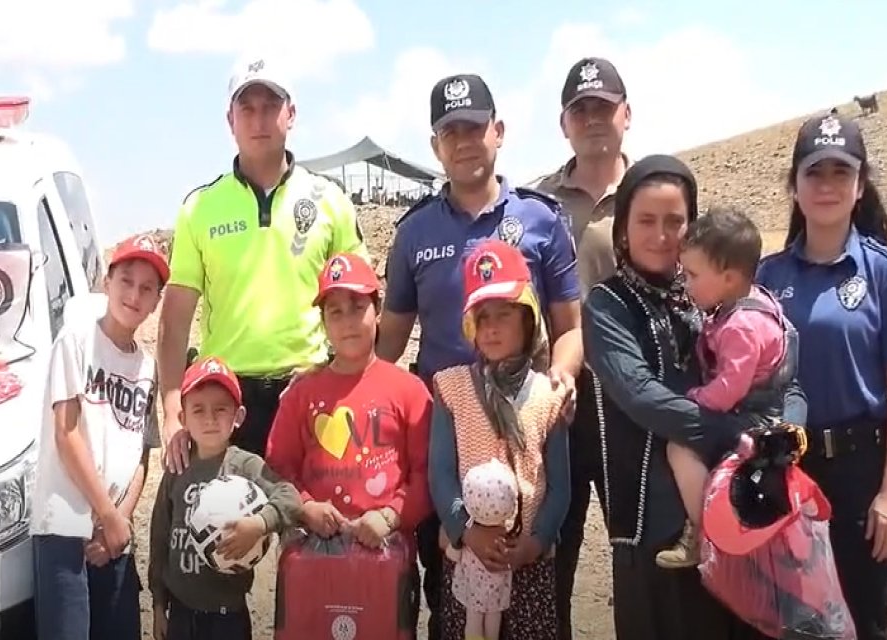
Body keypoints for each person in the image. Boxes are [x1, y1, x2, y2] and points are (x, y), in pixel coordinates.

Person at [377, 72, 583, 640]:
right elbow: (388, 344)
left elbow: (570, 327)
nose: (464, 140)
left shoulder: (542, 220)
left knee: (538, 601)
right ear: (435, 145)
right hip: (441, 431)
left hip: (531, 429)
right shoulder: (414, 233)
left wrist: (561, 381)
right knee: (451, 596)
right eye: (450, 131)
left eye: (474, 127)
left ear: (499, 130)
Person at [581, 154, 807, 640]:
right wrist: (744, 434)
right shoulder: (607, 306)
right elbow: (642, 396)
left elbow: (784, 375)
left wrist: (787, 428)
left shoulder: (714, 296)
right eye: (646, 220)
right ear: (622, 228)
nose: (662, 235)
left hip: (738, 511)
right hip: (652, 522)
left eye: (675, 221)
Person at [158, 55, 369, 474]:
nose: (259, 120)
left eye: (271, 106)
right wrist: (170, 409)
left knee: (315, 528)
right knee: (228, 532)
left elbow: (361, 303)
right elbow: (175, 320)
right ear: (229, 119)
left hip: (310, 389)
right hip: (226, 398)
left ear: (291, 114)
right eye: (247, 108)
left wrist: (341, 376)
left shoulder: (329, 200)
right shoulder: (199, 207)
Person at [755, 113, 887, 640]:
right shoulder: (767, 276)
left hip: (859, 479)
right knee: (788, 625)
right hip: (789, 475)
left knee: (863, 623)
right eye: (815, 172)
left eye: (840, 172)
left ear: (860, 185)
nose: (827, 184)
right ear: (794, 186)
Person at [264, 252, 433, 618]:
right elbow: (278, 468)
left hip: (385, 560)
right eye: (334, 311)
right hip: (314, 560)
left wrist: (390, 516)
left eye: (358, 306)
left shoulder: (409, 391)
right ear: (323, 322)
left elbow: (426, 474)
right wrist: (305, 507)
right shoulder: (301, 394)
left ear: (378, 310)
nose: (347, 322)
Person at [528, 56, 632, 639]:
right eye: (580, 109)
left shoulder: (654, 192)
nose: (593, 119)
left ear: (627, 114)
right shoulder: (537, 203)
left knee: (638, 551)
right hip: (557, 401)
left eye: (604, 106)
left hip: (631, 407)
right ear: (564, 122)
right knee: (552, 551)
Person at [429, 239, 571, 640]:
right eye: (482, 316)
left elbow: (560, 486)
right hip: (468, 555)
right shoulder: (451, 388)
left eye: (504, 314)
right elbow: (440, 475)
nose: (491, 327)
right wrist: (465, 529)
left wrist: (535, 542)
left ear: (528, 319)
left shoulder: (550, 396)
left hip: (529, 561)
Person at [30, 234, 167, 640]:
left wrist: (117, 524)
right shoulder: (75, 341)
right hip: (66, 526)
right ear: (107, 281)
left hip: (114, 536)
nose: (134, 294)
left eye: (147, 288)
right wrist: (106, 515)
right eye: (126, 280)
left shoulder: (147, 367)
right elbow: (66, 433)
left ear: (157, 301)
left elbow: (143, 454)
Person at [657, 208, 796, 569]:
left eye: (693, 275)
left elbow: (729, 389)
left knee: (680, 447)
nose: (686, 283)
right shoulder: (755, 303)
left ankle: (705, 529)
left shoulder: (741, 327)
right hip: (760, 414)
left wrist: (694, 399)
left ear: (729, 278)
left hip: (751, 417)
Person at [148, 356, 303, 640]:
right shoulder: (178, 467)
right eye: (199, 409)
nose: (209, 419)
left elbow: (290, 497)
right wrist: (159, 602)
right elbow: (159, 533)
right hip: (180, 611)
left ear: (239, 416)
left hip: (227, 615)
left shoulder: (246, 466)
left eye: (221, 409)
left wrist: (260, 523)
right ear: (183, 419)